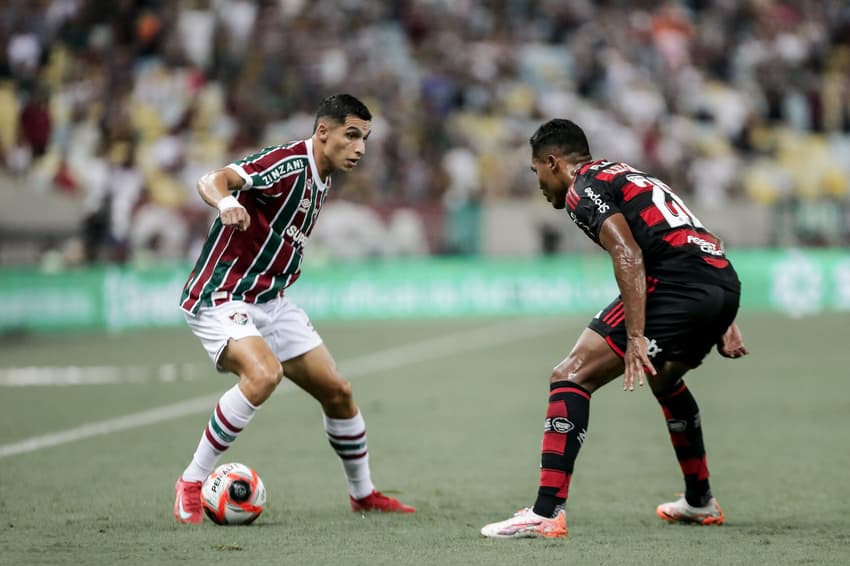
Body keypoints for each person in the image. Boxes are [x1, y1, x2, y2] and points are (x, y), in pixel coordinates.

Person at [480, 119, 748, 539]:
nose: (539, 184)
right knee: (667, 380)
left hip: (677, 286)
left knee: (570, 375)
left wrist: (637, 336)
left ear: (553, 162)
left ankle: (546, 512)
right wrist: (725, 316)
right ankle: (699, 501)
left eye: (536, 173)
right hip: (720, 281)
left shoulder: (581, 187)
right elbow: (700, 235)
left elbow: (628, 252)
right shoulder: (626, 173)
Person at [174, 94, 415, 524]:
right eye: (352, 135)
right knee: (265, 374)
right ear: (324, 133)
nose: (360, 147)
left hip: (270, 300)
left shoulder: (323, 176)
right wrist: (227, 203)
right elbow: (213, 179)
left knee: (338, 392)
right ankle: (192, 482)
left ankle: (363, 495)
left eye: (366, 138)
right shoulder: (287, 164)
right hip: (222, 293)